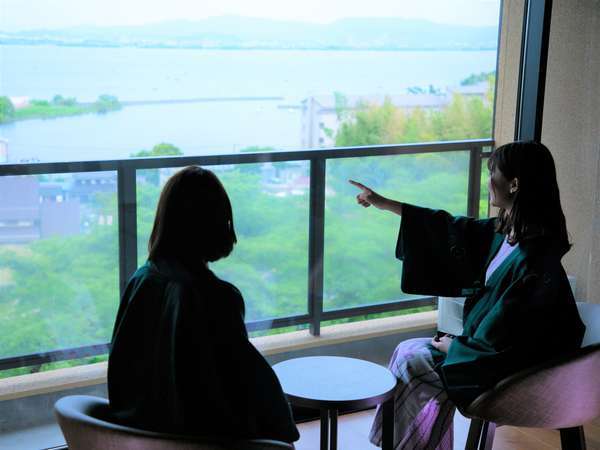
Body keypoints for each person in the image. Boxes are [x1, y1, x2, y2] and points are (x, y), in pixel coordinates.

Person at [350, 141, 585, 450]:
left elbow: (509, 337)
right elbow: (447, 226)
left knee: (411, 363)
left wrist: (455, 347)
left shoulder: (534, 259)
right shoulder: (506, 234)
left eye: (493, 172)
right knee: (407, 351)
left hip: (517, 373)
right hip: (490, 353)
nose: (488, 180)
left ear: (514, 184)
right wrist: (387, 204)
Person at [108, 166, 299, 443]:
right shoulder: (215, 298)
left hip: (144, 435)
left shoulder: (142, 281)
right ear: (219, 222)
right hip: (205, 439)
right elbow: (247, 385)